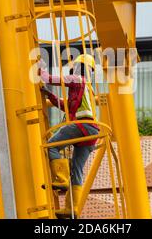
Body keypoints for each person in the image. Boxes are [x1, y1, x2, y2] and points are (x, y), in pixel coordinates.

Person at [39, 54, 99, 218]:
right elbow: (66, 106)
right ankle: (71, 209)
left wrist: (41, 66)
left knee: (51, 146)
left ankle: (61, 180)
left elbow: (48, 78)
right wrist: (49, 95)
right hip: (92, 132)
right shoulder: (88, 88)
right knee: (77, 171)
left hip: (82, 126)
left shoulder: (77, 79)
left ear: (79, 68)